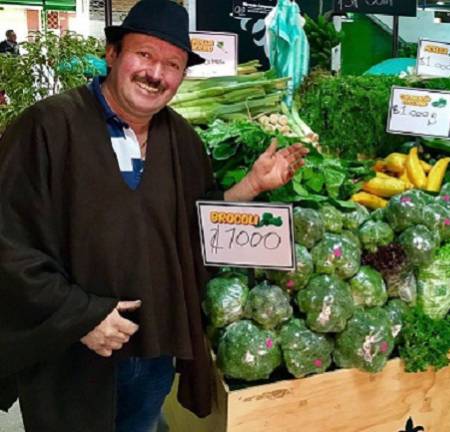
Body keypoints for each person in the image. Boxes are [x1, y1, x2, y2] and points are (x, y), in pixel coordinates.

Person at [0, 1, 308, 431]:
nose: (156, 74)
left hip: (154, 350)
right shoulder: (46, 128)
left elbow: (196, 229)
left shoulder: (181, 139)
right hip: (72, 356)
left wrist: (252, 187)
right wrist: (79, 315)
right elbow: (8, 243)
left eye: (173, 64)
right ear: (113, 54)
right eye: (144, 55)